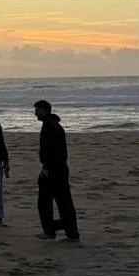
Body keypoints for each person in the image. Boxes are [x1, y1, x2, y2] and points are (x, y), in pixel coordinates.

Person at [34, 99, 80, 242]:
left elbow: (50, 149)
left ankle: (50, 230)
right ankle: (71, 232)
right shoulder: (54, 124)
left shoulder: (49, 125)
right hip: (60, 168)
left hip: (53, 168)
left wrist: (46, 167)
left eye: (37, 110)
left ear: (44, 110)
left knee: (45, 201)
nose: (35, 113)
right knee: (64, 201)